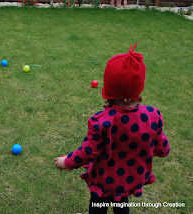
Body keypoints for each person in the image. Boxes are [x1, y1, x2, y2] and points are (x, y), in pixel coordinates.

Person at [54, 43, 170, 214]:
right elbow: (163, 150)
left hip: (104, 180)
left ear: (108, 88)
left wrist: (67, 161)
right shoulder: (153, 115)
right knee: (122, 205)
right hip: (129, 179)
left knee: (98, 205)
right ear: (139, 87)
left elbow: (88, 152)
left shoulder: (101, 121)